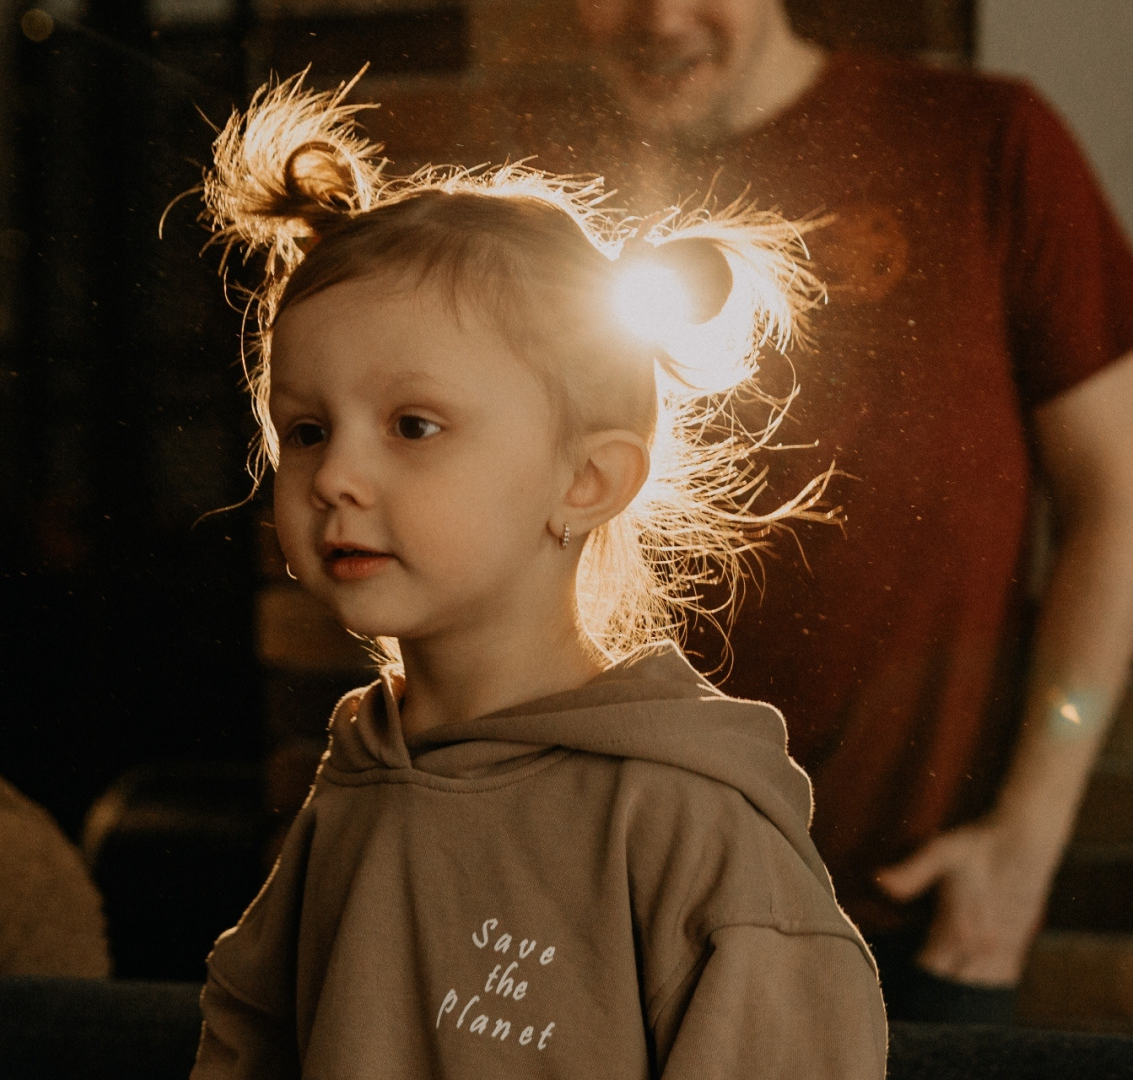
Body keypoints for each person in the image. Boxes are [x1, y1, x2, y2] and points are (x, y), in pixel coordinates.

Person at [187, 74, 886, 1079]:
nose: (333, 475)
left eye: (413, 426)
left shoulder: (686, 823)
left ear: (587, 480)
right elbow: (247, 1033)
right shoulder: (360, 776)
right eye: (305, 430)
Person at [559, 0, 1133, 1022]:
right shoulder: (547, 196)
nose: (657, 16)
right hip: (618, 908)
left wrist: (1029, 838)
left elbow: (1117, 503)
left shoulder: (985, 138)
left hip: (916, 913)